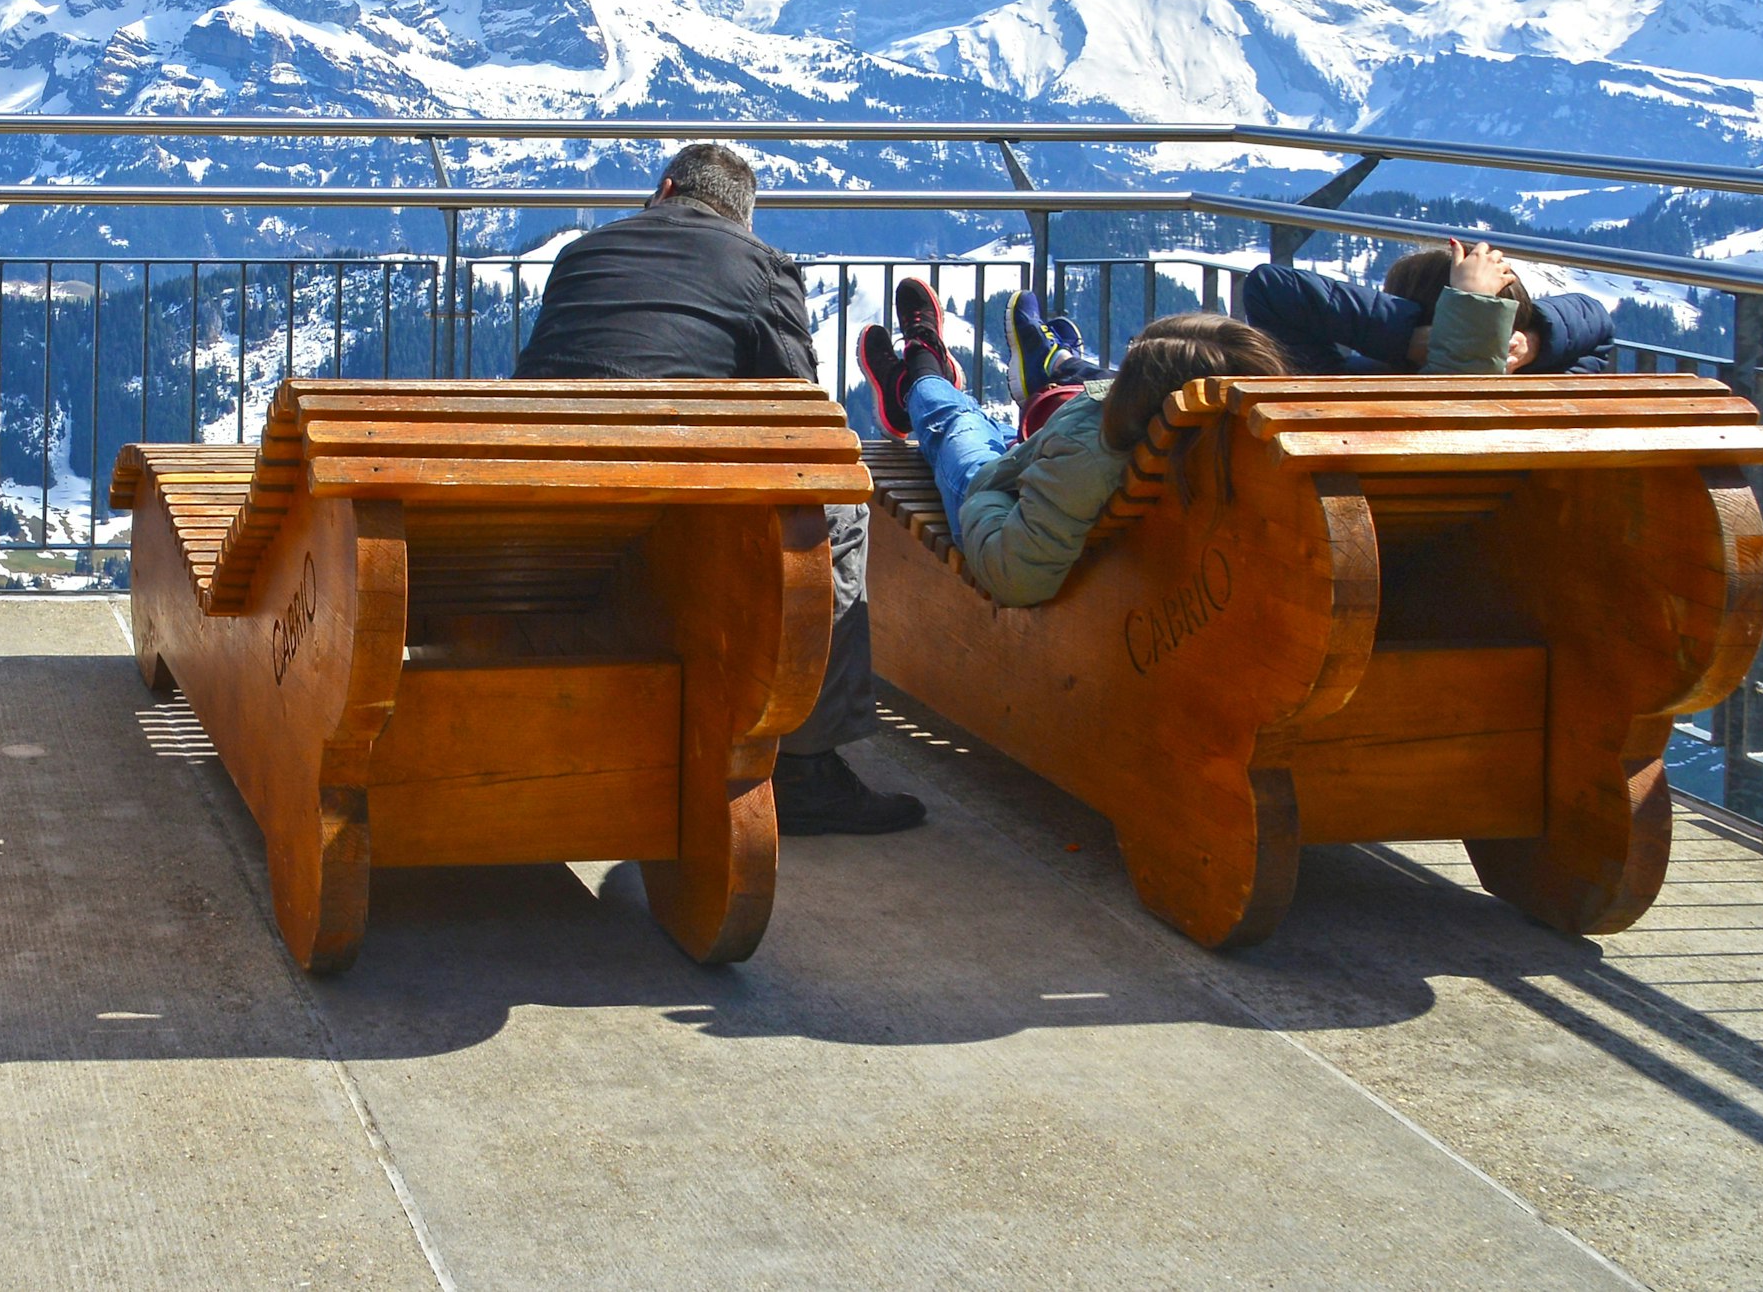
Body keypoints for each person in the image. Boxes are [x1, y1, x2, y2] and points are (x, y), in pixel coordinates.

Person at [511, 141, 923, 835]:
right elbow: (798, 414)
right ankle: (805, 766)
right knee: (841, 508)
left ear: (665, 189)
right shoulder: (763, 267)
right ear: (743, 219)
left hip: (550, 507)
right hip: (675, 512)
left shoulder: (580, 254)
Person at [858, 286, 1287, 608]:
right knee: (982, 429)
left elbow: (1013, 571)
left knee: (954, 424)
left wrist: (989, 491)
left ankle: (919, 372)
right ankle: (935, 371)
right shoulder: (1255, 450)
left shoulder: (1091, 453)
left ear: (1139, 393)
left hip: (1002, 513)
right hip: (1060, 500)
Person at [1238, 242, 1613, 377]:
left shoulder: (1346, 387)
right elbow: (1595, 322)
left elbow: (1271, 288)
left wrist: (1401, 340)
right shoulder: (1543, 378)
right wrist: (1531, 342)